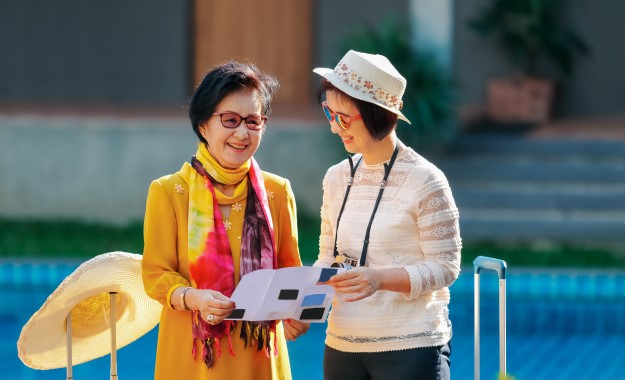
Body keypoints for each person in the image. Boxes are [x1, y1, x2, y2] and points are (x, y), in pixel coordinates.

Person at [142, 61, 309, 380]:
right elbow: (155, 275)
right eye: (230, 120)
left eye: (253, 121)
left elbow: (290, 272)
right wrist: (195, 298)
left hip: (260, 357)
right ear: (203, 124)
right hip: (193, 359)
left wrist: (295, 310)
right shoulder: (169, 192)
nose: (242, 133)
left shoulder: (277, 191)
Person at [312, 50, 462, 380]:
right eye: (328, 113)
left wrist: (379, 279)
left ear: (379, 114)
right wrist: (301, 311)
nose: (334, 128)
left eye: (344, 118)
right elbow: (327, 259)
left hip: (411, 347)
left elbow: (446, 267)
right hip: (342, 346)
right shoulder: (335, 177)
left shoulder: (426, 180)